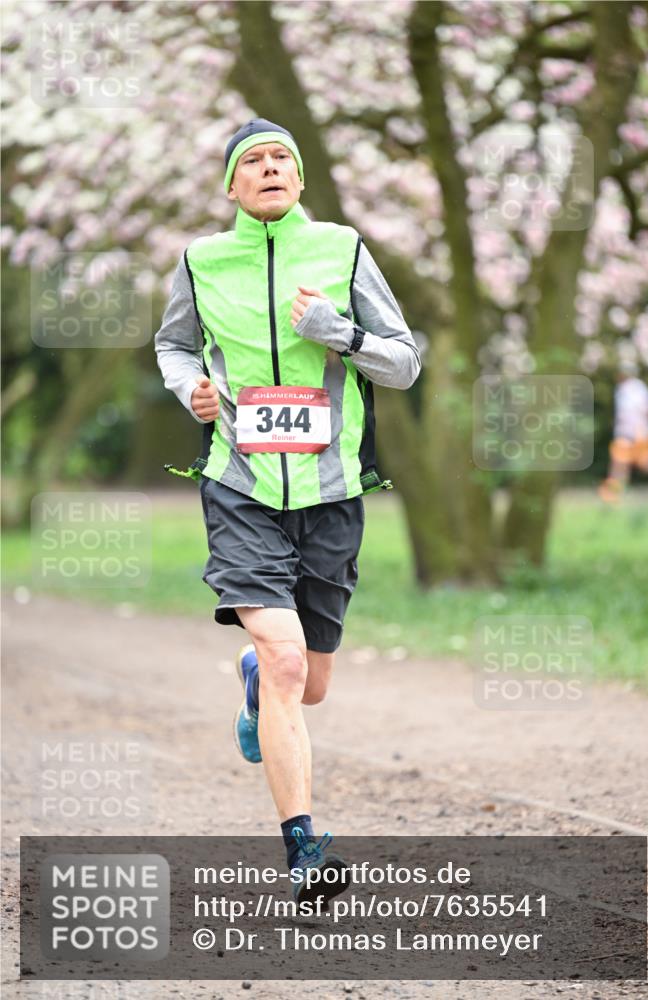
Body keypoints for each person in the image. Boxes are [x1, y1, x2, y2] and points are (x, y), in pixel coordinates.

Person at [155, 118, 421, 905]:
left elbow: (404, 361)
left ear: (300, 180)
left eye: (282, 160)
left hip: (330, 491)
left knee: (310, 684)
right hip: (239, 485)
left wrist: (334, 332)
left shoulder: (340, 250)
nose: (269, 170)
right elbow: (174, 346)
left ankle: (252, 682)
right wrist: (190, 391)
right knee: (285, 659)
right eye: (253, 162)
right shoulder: (201, 261)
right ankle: (303, 846)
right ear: (232, 186)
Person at [598, 359, 648, 503]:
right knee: (641, 462)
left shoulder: (635, 388)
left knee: (620, 462)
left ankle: (613, 494)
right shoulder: (625, 389)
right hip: (634, 432)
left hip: (634, 432)